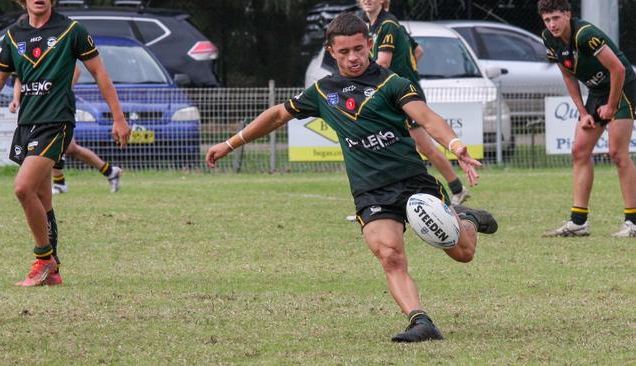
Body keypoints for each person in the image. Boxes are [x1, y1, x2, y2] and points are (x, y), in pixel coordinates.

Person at [206, 13, 498, 342]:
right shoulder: (322, 91)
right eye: (344, 52)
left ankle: (467, 218)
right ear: (332, 52)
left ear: (370, 45)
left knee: (463, 252)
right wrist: (230, 144)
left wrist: (456, 146)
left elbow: (427, 117)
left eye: (359, 49)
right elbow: (277, 115)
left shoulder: (393, 83)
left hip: (414, 183)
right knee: (390, 255)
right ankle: (421, 321)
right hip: (371, 191)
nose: (353, 57)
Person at [0, 0, 130, 286]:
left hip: (56, 122)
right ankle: (53, 271)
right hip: (27, 123)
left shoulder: (71, 30)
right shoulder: (14, 35)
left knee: (23, 188)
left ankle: (43, 259)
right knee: (42, 198)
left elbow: (99, 73)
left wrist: (118, 117)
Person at [539, 0, 636, 238]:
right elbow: (568, 74)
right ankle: (578, 222)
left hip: (622, 88)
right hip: (597, 93)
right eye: (547, 19)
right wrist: (583, 112)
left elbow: (619, 70)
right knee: (579, 151)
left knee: (617, 153)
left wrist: (612, 106)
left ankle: (633, 222)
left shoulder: (585, 34)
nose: (552, 24)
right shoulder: (548, 38)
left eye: (556, 18)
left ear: (568, 15)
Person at [360, 0, 470, 206]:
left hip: (401, 94)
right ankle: (385, 196)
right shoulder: (381, 26)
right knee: (391, 144)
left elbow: (382, 63)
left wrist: (399, 78)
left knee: (423, 147)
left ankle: (454, 189)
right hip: (393, 93)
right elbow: (418, 51)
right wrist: (406, 71)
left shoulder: (388, 25)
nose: (367, 0)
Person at [9, 66, 123, 194]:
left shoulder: (54, 49)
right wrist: (16, 99)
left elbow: (76, 70)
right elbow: (19, 78)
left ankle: (59, 183)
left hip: (58, 107)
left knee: (49, 144)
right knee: (71, 148)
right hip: (36, 108)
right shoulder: (23, 52)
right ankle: (110, 172)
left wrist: (60, 92)